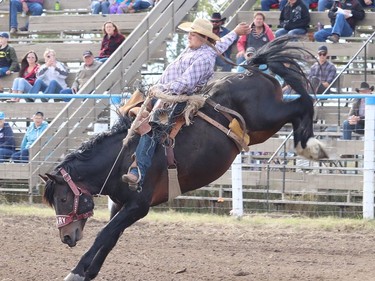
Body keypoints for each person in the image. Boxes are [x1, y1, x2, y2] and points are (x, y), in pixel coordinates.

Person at [122, 18, 251, 187]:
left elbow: (185, 83)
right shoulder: (201, 49)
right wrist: (235, 32)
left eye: (193, 33)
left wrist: (160, 88)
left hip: (176, 98)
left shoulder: (204, 58)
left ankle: (138, 171)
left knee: (154, 128)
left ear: (204, 38)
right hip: (165, 95)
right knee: (130, 111)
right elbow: (219, 46)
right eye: (189, 32)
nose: (189, 36)